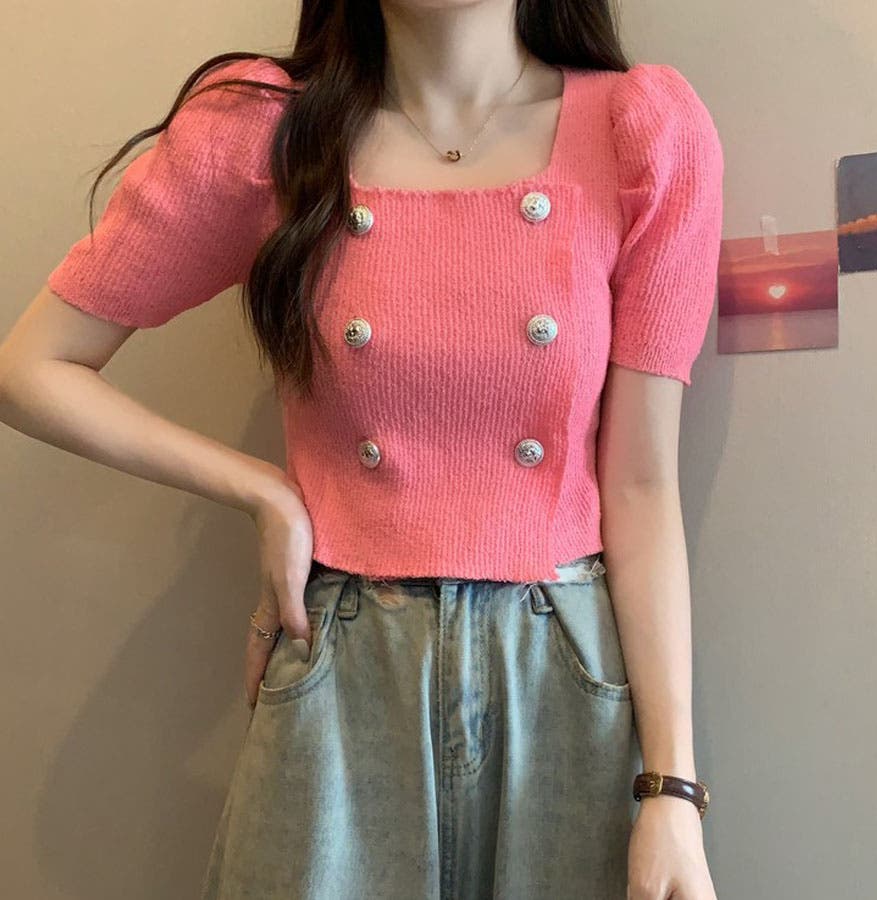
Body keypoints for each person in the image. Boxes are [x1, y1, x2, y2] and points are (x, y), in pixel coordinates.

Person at [0, 1, 724, 897]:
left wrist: (673, 790)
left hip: (563, 682)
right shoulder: (268, 133)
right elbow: (31, 369)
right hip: (343, 669)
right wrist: (265, 491)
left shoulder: (640, 133)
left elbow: (642, 487)